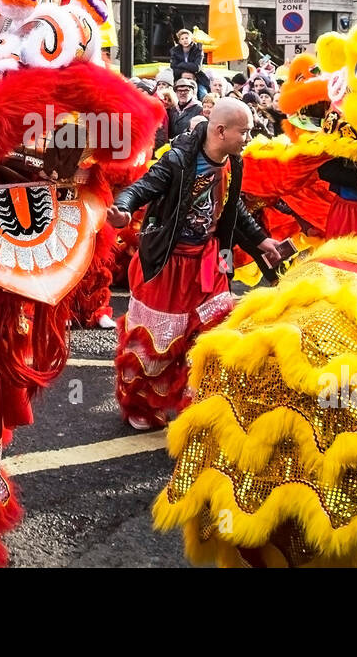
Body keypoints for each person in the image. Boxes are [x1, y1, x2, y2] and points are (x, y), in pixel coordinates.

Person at [106, 97, 283, 429]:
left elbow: (232, 207)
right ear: (221, 131)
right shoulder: (178, 160)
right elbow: (141, 187)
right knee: (157, 342)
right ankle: (143, 405)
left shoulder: (234, 163)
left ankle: (199, 405)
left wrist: (262, 241)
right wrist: (123, 210)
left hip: (208, 262)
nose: (249, 138)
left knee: (214, 334)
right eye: (244, 132)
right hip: (168, 264)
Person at [170, 29, 207, 100]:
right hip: (179, 77)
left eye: (186, 38)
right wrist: (185, 72)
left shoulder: (198, 49)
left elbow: (197, 67)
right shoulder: (174, 51)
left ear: (191, 39)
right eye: (182, 39)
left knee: (203, 92)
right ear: (179, 41)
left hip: (196, 76)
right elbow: (173, 68)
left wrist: (181, 64)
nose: (185, 40)